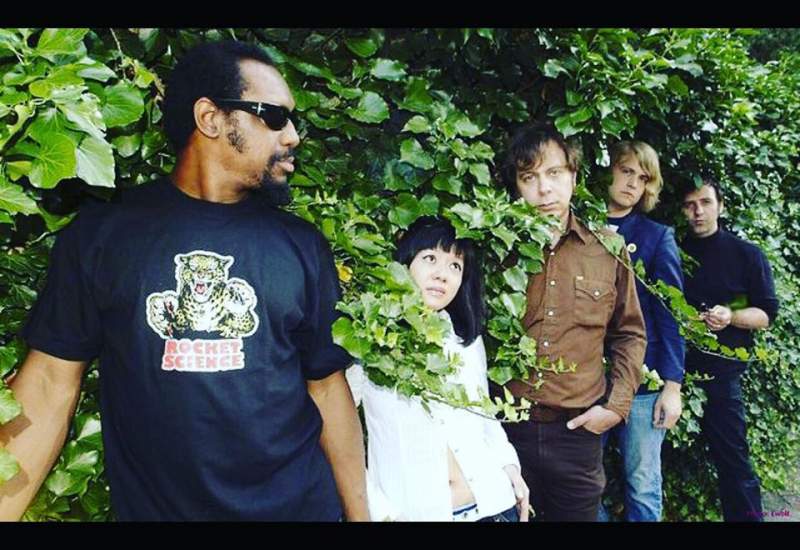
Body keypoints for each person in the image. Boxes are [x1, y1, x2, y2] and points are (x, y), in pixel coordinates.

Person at [0, 40, 368, 521]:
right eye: (275, 117)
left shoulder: (301, 245)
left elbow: (326, 388)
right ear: (210, 118)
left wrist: (361, 517)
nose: (293, 136)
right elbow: (49, 386)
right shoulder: (104, 237)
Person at [496, 123, 646, 521]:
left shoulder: (607, 248)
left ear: (574, 177)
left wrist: (615, 407)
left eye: (554, 173)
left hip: (577, 434)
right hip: (505, 431)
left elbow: (630, 333)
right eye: (529, 177)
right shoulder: (496, 249)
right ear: (517, 185)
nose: (544, 189)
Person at [346, 216, 529, 522]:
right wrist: (380, 512)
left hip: (493, 505)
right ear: (405, 264)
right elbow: (338, 437)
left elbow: (484, 416)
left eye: (455, 266)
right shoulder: (368, 343)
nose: (442, 275)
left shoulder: (465, 342)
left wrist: (510, 468)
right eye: (430, 258)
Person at [679, 178, 778, 522]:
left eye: (705, 202)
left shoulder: (746, 255)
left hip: (721, 374)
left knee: (734, 462)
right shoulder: (673, 251)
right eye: (690, 205)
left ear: (721, 206)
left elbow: (766, 313)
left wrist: (731, 315)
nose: (698, 211)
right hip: (672, 371)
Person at [597, 141, 685, 521]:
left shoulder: (656, 236)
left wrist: (673, 386)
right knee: (580, 481)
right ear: (609, 171)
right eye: (626, 171)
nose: (634, 183)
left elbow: (670, 314)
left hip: (643, 384)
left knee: (643, 483)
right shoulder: (578, 226)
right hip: (585, 379)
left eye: (643, 177)